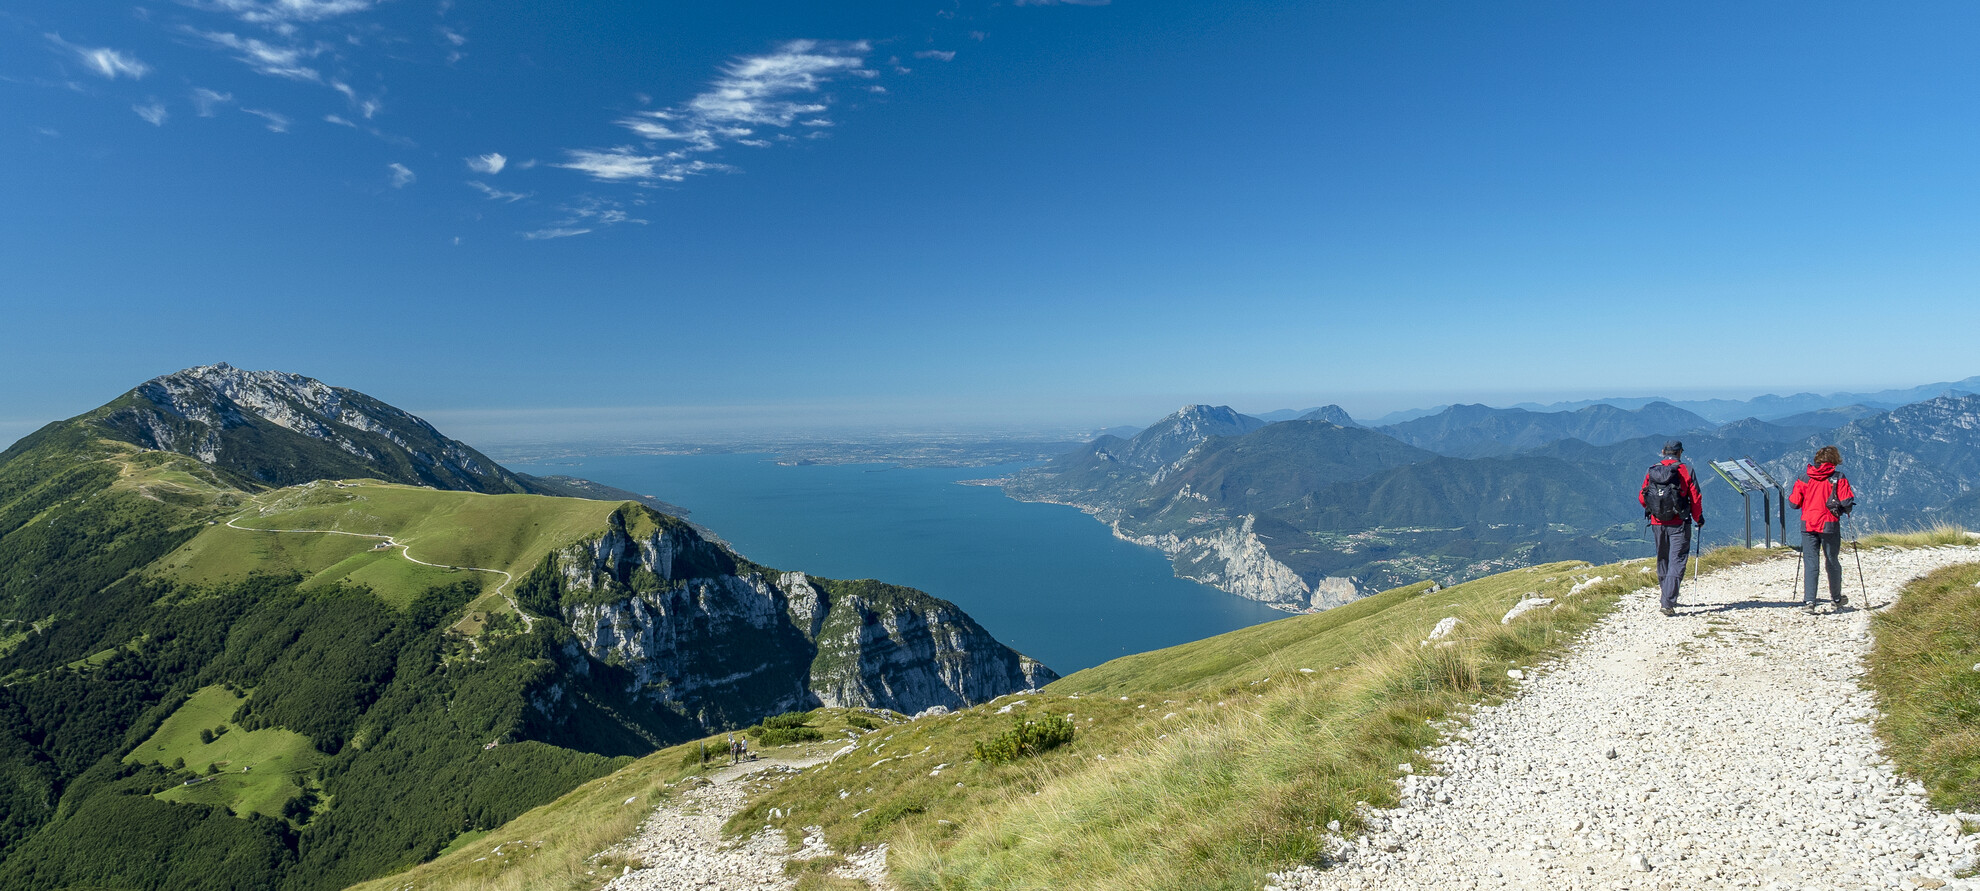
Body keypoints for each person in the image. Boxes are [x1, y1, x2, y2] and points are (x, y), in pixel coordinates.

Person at [1639, 440, 1704, 616]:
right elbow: (1695, 498)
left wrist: (1655, 511)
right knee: (1678, 559)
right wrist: (1698, 518)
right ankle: (1667, 601)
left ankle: (1666, 595)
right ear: (1680, 452)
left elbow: (1642, 497)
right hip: (1679, 523)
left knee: (1663, 558)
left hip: (1657, 522)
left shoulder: (1652, 470)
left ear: (1662, 451)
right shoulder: (1686, 470)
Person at [1788, 445, 1855, 614]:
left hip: (1808, 524)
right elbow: (1847, 502)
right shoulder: (1838, 478)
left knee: (1811, 562)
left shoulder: (1804, 478)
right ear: (1834, 461)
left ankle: (1809, 602)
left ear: (1817, 460)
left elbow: (1794, 503)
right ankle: (1836, 599)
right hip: (1829, 524)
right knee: (1831, 560)